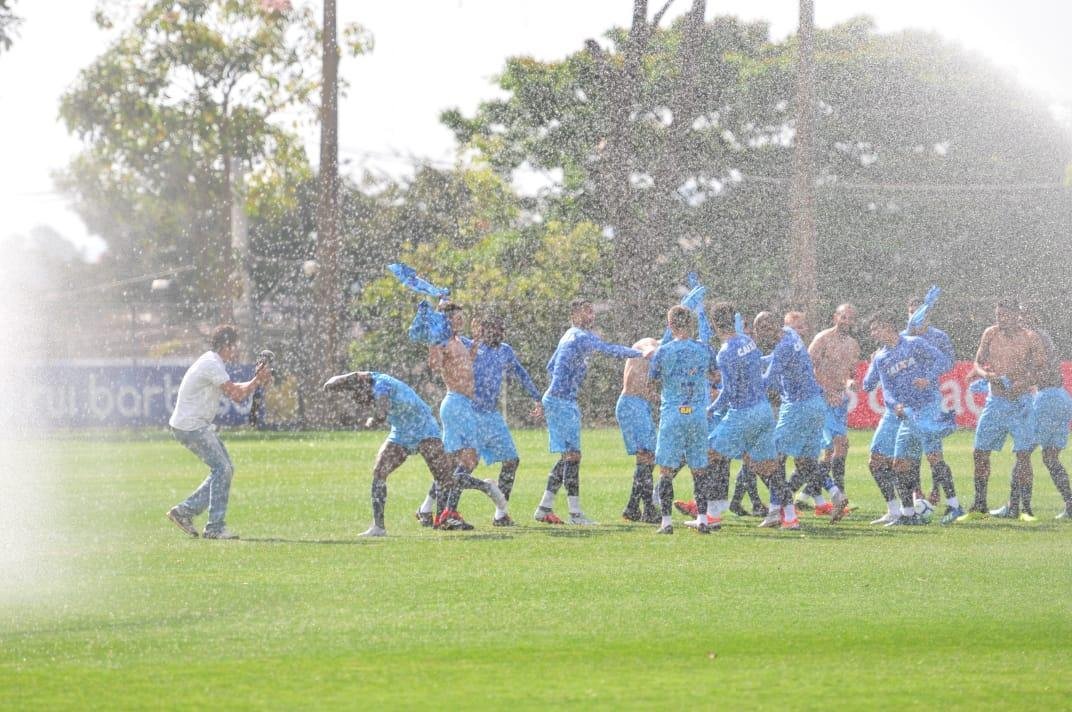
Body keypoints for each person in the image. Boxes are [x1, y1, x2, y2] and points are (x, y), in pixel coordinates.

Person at [535, 299, 643, 525]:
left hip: (560, 400)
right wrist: (638, 353)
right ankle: (575, 514)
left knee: (568, 456)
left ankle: (544, 508)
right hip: (561, 402)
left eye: (592, 312)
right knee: (572, 456)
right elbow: (609, 349)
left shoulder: (569, 335)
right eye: (587, 312)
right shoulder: (580, 337)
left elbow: (550, 366)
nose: (591, 316)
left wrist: (552, 393)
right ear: (574, 313)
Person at [323, 370, 464, 537]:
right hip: (401, 432)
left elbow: (381, 415)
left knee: (445, 478)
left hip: (423, 428)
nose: (366, 405)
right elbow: (328, 385)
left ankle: (487, 488)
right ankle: (378, 527)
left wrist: (372, 420)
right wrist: (350, 377)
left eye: (366, 401)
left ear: (367, 390)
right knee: (379, 471)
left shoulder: (381, 385)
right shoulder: (364, 380)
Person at [166, 325, 272, 540]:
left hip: (191, 425)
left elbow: (232, 388)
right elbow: (236, 395)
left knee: (224, 469)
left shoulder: (212, 361)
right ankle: (213, 527)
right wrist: (257, 381)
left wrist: (255, 381)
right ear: (226, 345)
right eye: (235, 346)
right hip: (192, 426)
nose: (237, 351)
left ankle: (184, 512)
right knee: (222, 469)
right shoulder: (212, 363)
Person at [706, 302, 800, 530]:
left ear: (715, 324)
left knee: (709, 454)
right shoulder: (748, 342)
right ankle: (789, 517)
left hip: (743, 414)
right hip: (763, 411)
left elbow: (728, 392)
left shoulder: (725, 352)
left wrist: (710, 409)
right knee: (768, 467)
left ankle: (711, 515)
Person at [754, 311, 850, 525]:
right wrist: (755, 359)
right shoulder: (790, 334)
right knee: (805, 461)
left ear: (769, 328)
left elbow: (768, 381)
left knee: (774, 458)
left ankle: (777, 512)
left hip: (797, 406)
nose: (760, 336)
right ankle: (836, 494)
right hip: (815, 404)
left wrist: (745, 373)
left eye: (760, 331)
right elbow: (774, 361)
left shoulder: (782, 347)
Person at [862, 311, 957, 526]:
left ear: (889, 326)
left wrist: (929, 378)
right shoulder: (880, 356)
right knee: (876, 461)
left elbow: (943, 361)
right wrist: (894, 404)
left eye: (876, 328)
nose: (873, 333)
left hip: (920, 408)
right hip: (896, 412)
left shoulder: (913, 344)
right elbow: (870, 386)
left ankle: (939, 505)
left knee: (915, 460)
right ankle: (895, 510)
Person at [957, 300, 1044, 522]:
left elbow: (1040, 369)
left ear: (1016, 315)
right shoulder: (990, 333)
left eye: (1004, 315)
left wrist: (1022, 384)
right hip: (994, 402)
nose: (1000, 319)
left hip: (1020, 403)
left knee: (1023, 455)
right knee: (980, 452)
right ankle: (979, 505)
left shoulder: (1030, 338)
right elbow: (977, 363)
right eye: (998, 314)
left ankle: (1025, 508)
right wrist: (986, 376)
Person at [426, 302, 510, 527]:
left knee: (454, 464)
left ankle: (441, 515)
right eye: (457, 318)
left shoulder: (458, 342)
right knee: (469, 459)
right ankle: (482, 490)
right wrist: (434, 342)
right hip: (455, 404)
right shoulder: (443, 342)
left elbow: (466, 361)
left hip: (463, 404)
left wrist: (476, 341)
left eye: (461, 317)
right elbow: (434, 365)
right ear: (446, 320)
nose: (461, 320)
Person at [649, 307, 718, 534]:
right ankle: (702, 519)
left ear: (670, 325)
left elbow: (652, 382)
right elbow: (715, 376)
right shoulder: (704, 349)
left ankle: (666, 522)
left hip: (673, 413)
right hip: (698, 414)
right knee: (699, 469)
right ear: (691, 325)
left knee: (666, 470)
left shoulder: (663, 351)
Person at [904, 294, 957, 507]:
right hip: (908, 402)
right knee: (911, 450)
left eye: (919, 314)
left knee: (934, 451)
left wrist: (929, 376)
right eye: (911, 313)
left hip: (930, 399)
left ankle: (937, 490)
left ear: (928, 315)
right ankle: (917, 491)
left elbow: (949, 362)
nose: (915, 318)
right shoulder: (901, 337)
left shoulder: (939, 337)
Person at [1020, 306, 1072, 520]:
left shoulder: (1033, 337)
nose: (1021, 320)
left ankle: (1018, 506)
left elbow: (1040, 372)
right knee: (1050, 457)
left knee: (1023, 450)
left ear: (1035, 316)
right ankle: (1070, 503)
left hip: (1048, 398)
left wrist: (1016, 385)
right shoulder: (1044, 336)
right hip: (1060, 396)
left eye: (1024, 315)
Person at [807, 304, 861, 509]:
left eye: (850, 318)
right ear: (834, 317)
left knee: (835, 449)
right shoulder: (822, 339)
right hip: (821, 399)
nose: (846, 321)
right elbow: (807, 368)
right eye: (843, 317)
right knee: (835, 446)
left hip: (839, 400)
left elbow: (850, 373)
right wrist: (825, 392)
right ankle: (837, 495)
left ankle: (812, 494)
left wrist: (850, 383)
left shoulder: (853, 344)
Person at [615, 337, 661, 522]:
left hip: (639, 405)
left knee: (647, 458)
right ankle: (648, 509)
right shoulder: (649, 342)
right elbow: (649, 350)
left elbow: (648, 391)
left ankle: (633, 507)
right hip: (631, 405)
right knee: (647, 455)